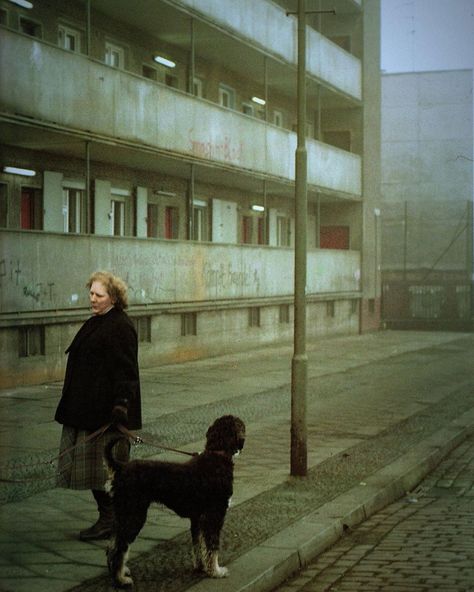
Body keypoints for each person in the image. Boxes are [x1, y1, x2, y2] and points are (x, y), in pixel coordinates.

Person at [55, 271, 142, 541]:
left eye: (99, 295)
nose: (92, 299)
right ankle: (109, 517)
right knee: (93, 470)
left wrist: (121, 406)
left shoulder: (120, 326)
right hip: (87, 409)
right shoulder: (99, 320)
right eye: (91, 293)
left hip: (106, 414)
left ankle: (111, 519)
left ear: (113, 297)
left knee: (105, 470)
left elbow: (127, 372)